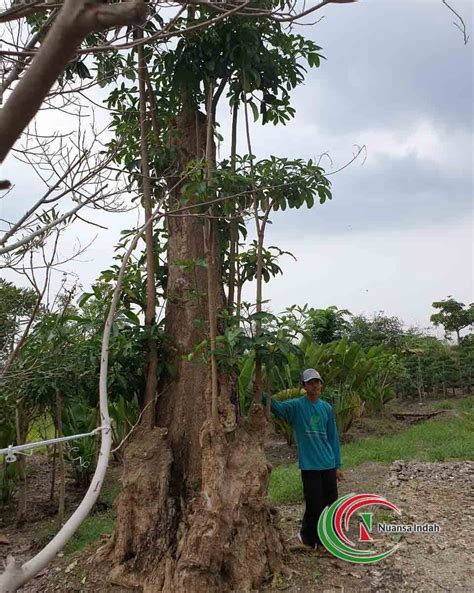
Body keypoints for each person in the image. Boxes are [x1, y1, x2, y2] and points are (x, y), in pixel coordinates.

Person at [264, 368, 343, 551]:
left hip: (328, 463)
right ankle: (308, 538)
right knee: (314, 503)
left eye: (317, 382)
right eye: (310, 382)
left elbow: (333, 438)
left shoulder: (326, 408)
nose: (315, 385)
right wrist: (260, 392)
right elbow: (277, 407)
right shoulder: (296, 406)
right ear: (304, 386)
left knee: (331, 503)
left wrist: (337, 465)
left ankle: (326, 541)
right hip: (310, 466)